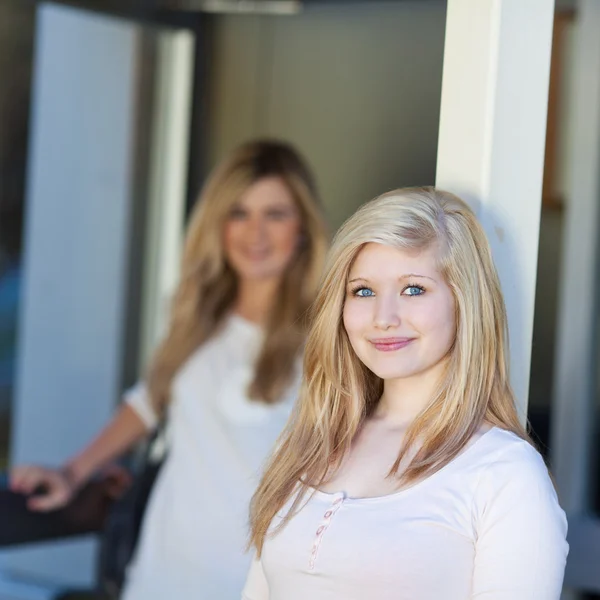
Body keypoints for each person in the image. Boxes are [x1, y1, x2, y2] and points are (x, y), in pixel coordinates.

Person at [10, 139, 329, 599]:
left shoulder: (324, 338)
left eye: (275, 213)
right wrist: (73, 473)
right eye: (238, 213)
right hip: (163, 572)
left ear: (302, 227)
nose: (255, 232)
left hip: (255, 582)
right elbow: (148, 402)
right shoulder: (198, 317)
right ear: (217, 225)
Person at [243, 187, 568, 600]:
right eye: (363, 291)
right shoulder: (306, 443)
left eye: (413, 289)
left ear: (463, 302)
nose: (384, 318)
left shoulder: (505, 473)